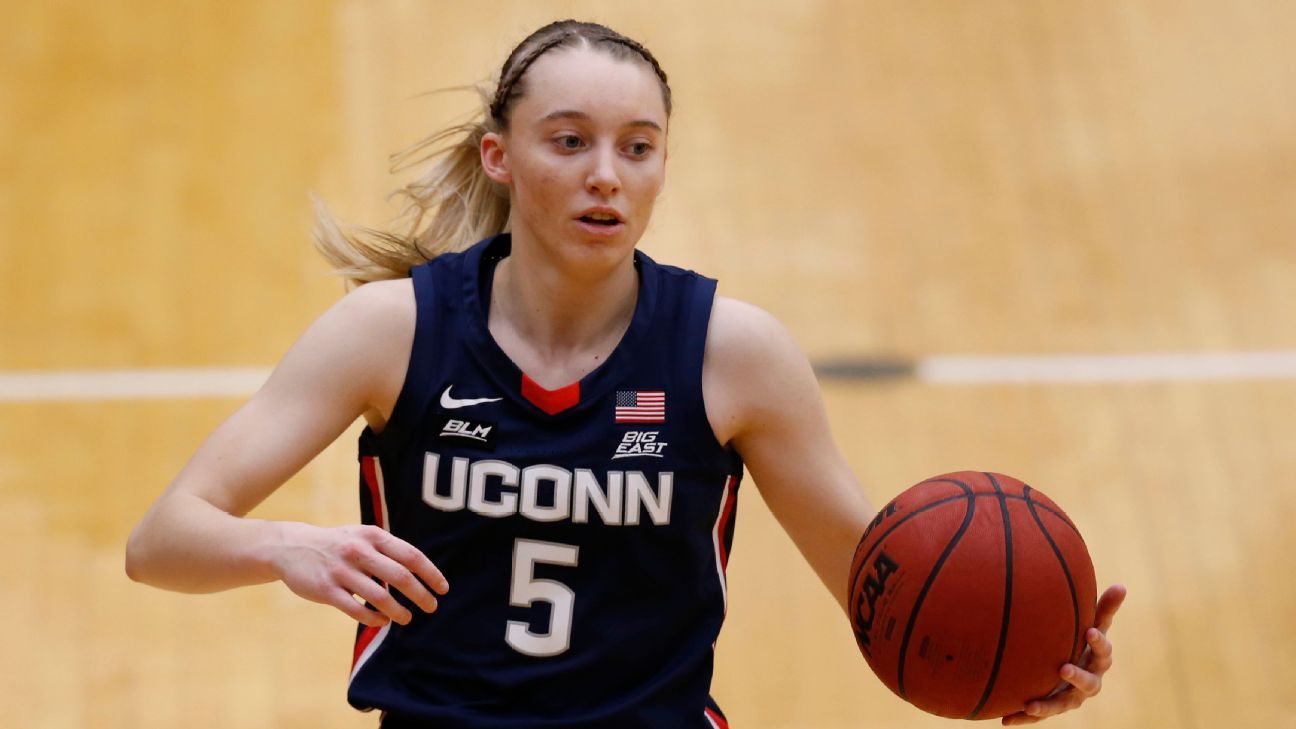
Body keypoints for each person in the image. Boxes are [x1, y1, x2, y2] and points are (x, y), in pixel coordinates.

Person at [125, 19, 1125, 728]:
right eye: (571, 141)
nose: (609, 173)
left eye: (638, 148)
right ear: (501, 157)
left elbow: (885, 598)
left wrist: (1029, 664)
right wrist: (282, 547)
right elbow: (160, 542)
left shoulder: (735, 356)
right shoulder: (391, 332)